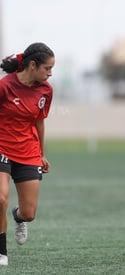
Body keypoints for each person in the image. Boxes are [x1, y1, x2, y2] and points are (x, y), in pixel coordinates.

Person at [0, 42, 55, 266]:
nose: (50, 74)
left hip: (28, 151)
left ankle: (17, 216)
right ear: (33, 65)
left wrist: (41, 154)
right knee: (0, 198)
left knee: (29, 213)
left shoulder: (46, 91)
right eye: (47, 69)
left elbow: (39, 122)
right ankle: (1, 251)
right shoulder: (4, 86)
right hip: (2, 147)